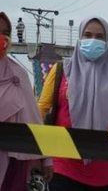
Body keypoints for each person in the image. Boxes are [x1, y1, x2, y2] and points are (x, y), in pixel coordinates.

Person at [38, 16, 108, 190]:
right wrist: (39, 155)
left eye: (99, 36)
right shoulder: (61, 70)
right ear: (79, 38)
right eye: (87, 35)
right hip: (64, 168)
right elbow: (40, 111)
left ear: (107, 41)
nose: (93, 40)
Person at [0, 12, 52, 190]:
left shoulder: (18, 75)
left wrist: (46, 158)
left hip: (12, 163)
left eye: (5, 32)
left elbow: (33, 118)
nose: (1, 37)